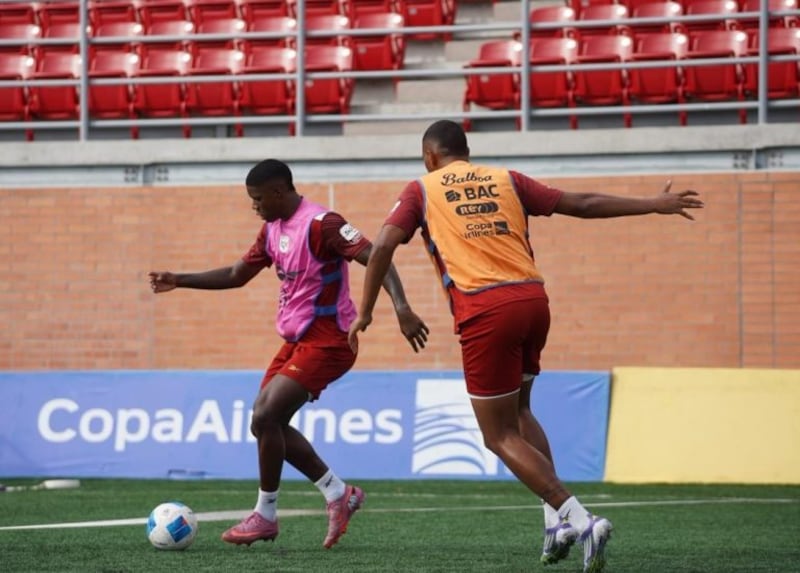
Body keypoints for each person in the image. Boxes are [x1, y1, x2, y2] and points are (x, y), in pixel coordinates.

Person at [348, 120, 704, 573]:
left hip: (485, 310)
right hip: (533, 302)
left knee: (496, 435)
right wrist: (654, 204)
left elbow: (380, 245)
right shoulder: (507, 179)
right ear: (467, 151)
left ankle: (580, 518)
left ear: (429, 157)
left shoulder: (421, 189)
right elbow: (583, 203)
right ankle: (556, 523)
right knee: (519, 412)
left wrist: (376, 310)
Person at [149, 158, 429, 549]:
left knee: (266, 414)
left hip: (331, 338)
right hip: (297, 341)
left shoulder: (324, 224)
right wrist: (180, 280)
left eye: (258, 198)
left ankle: (265, 516)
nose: (254, 206)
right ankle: (338, 493)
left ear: (279, 192)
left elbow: (377, 255)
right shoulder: (271, 230)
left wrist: (401, 307)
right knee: (265, 424)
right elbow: (236, 275)